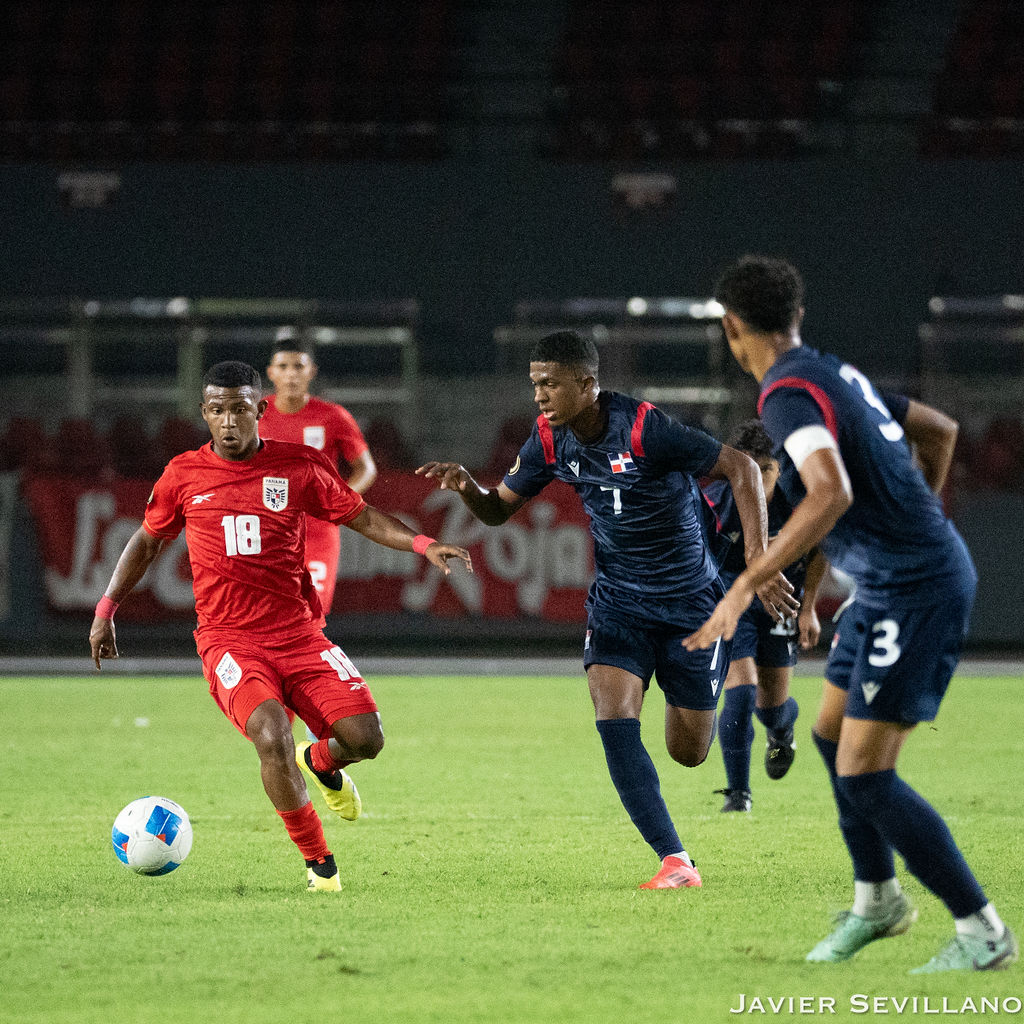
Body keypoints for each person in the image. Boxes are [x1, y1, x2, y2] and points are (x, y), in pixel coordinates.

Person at [685, 255, 1016, 972]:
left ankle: (983, 930)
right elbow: (942, 432)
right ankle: (877, 903)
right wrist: (910, 520)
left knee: (867, 773)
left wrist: (748, 585)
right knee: (833, 736)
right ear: (796, 317)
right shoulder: (836, 374)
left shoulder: (785, 396)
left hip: (914, 589)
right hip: (888, 585)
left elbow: (828, 493)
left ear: (732, 327)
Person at [417, 330, 797, 890]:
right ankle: (675, 860)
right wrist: (470, 487)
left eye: (550, 383)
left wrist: (760, 560)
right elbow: (497, 512)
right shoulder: (548, 439)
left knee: (688, 752)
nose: (540, 396)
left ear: (588, 385)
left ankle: (733, 716)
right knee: (613, 714)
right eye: (534, 383)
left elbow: (741, 468)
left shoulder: (646, 428)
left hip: (690, 603)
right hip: (618, 603)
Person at [89, 361, 471, 892]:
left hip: (300, 635)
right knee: (270, 733)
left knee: (366, 739)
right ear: (204, 413)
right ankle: (321, 865)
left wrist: (425, 544)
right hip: (229, 641)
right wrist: (107, 607)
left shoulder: (299, 466)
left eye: (239, 409)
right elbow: (147, 541)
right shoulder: (182, 474)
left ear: (259, 410)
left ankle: (318, 760)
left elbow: (363, 516)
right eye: (217, 410)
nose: (228, 421)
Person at [703, 418, 828, 812]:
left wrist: (808, 609)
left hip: (782, 602)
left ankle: (782, 730)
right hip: (733, 601)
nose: (756, 481)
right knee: (740, 695)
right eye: (748, 471)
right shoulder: (716, 502)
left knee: (771, 706)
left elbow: (821, 547)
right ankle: (738, 794)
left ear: (780, 468)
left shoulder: (800, 499)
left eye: (766, 471)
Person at [261, 335, 378, 612]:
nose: (291, 374)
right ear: (271, 372)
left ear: (311, 371)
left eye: (298, 366)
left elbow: (367, 469)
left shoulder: (333, 416)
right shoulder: (254, 416)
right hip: (269, 531)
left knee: (311, 612)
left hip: (318, 533)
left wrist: (340, 499)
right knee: (269, 614)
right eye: (284, 366)